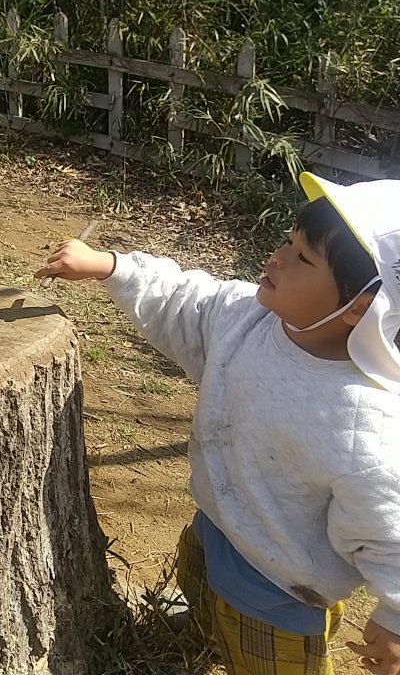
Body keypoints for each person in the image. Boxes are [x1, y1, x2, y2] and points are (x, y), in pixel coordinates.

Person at [35, 172, 400, 675]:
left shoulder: (367, 425)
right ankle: (209, 632)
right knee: (201, 591)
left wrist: (396, 616)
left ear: (361, 307)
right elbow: (187, 299)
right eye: (288, 241)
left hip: (277, 598)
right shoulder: (249, 318)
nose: (277, 256)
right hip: (216, 527)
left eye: (303, 258)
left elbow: (391, 530)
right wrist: (111, 266)